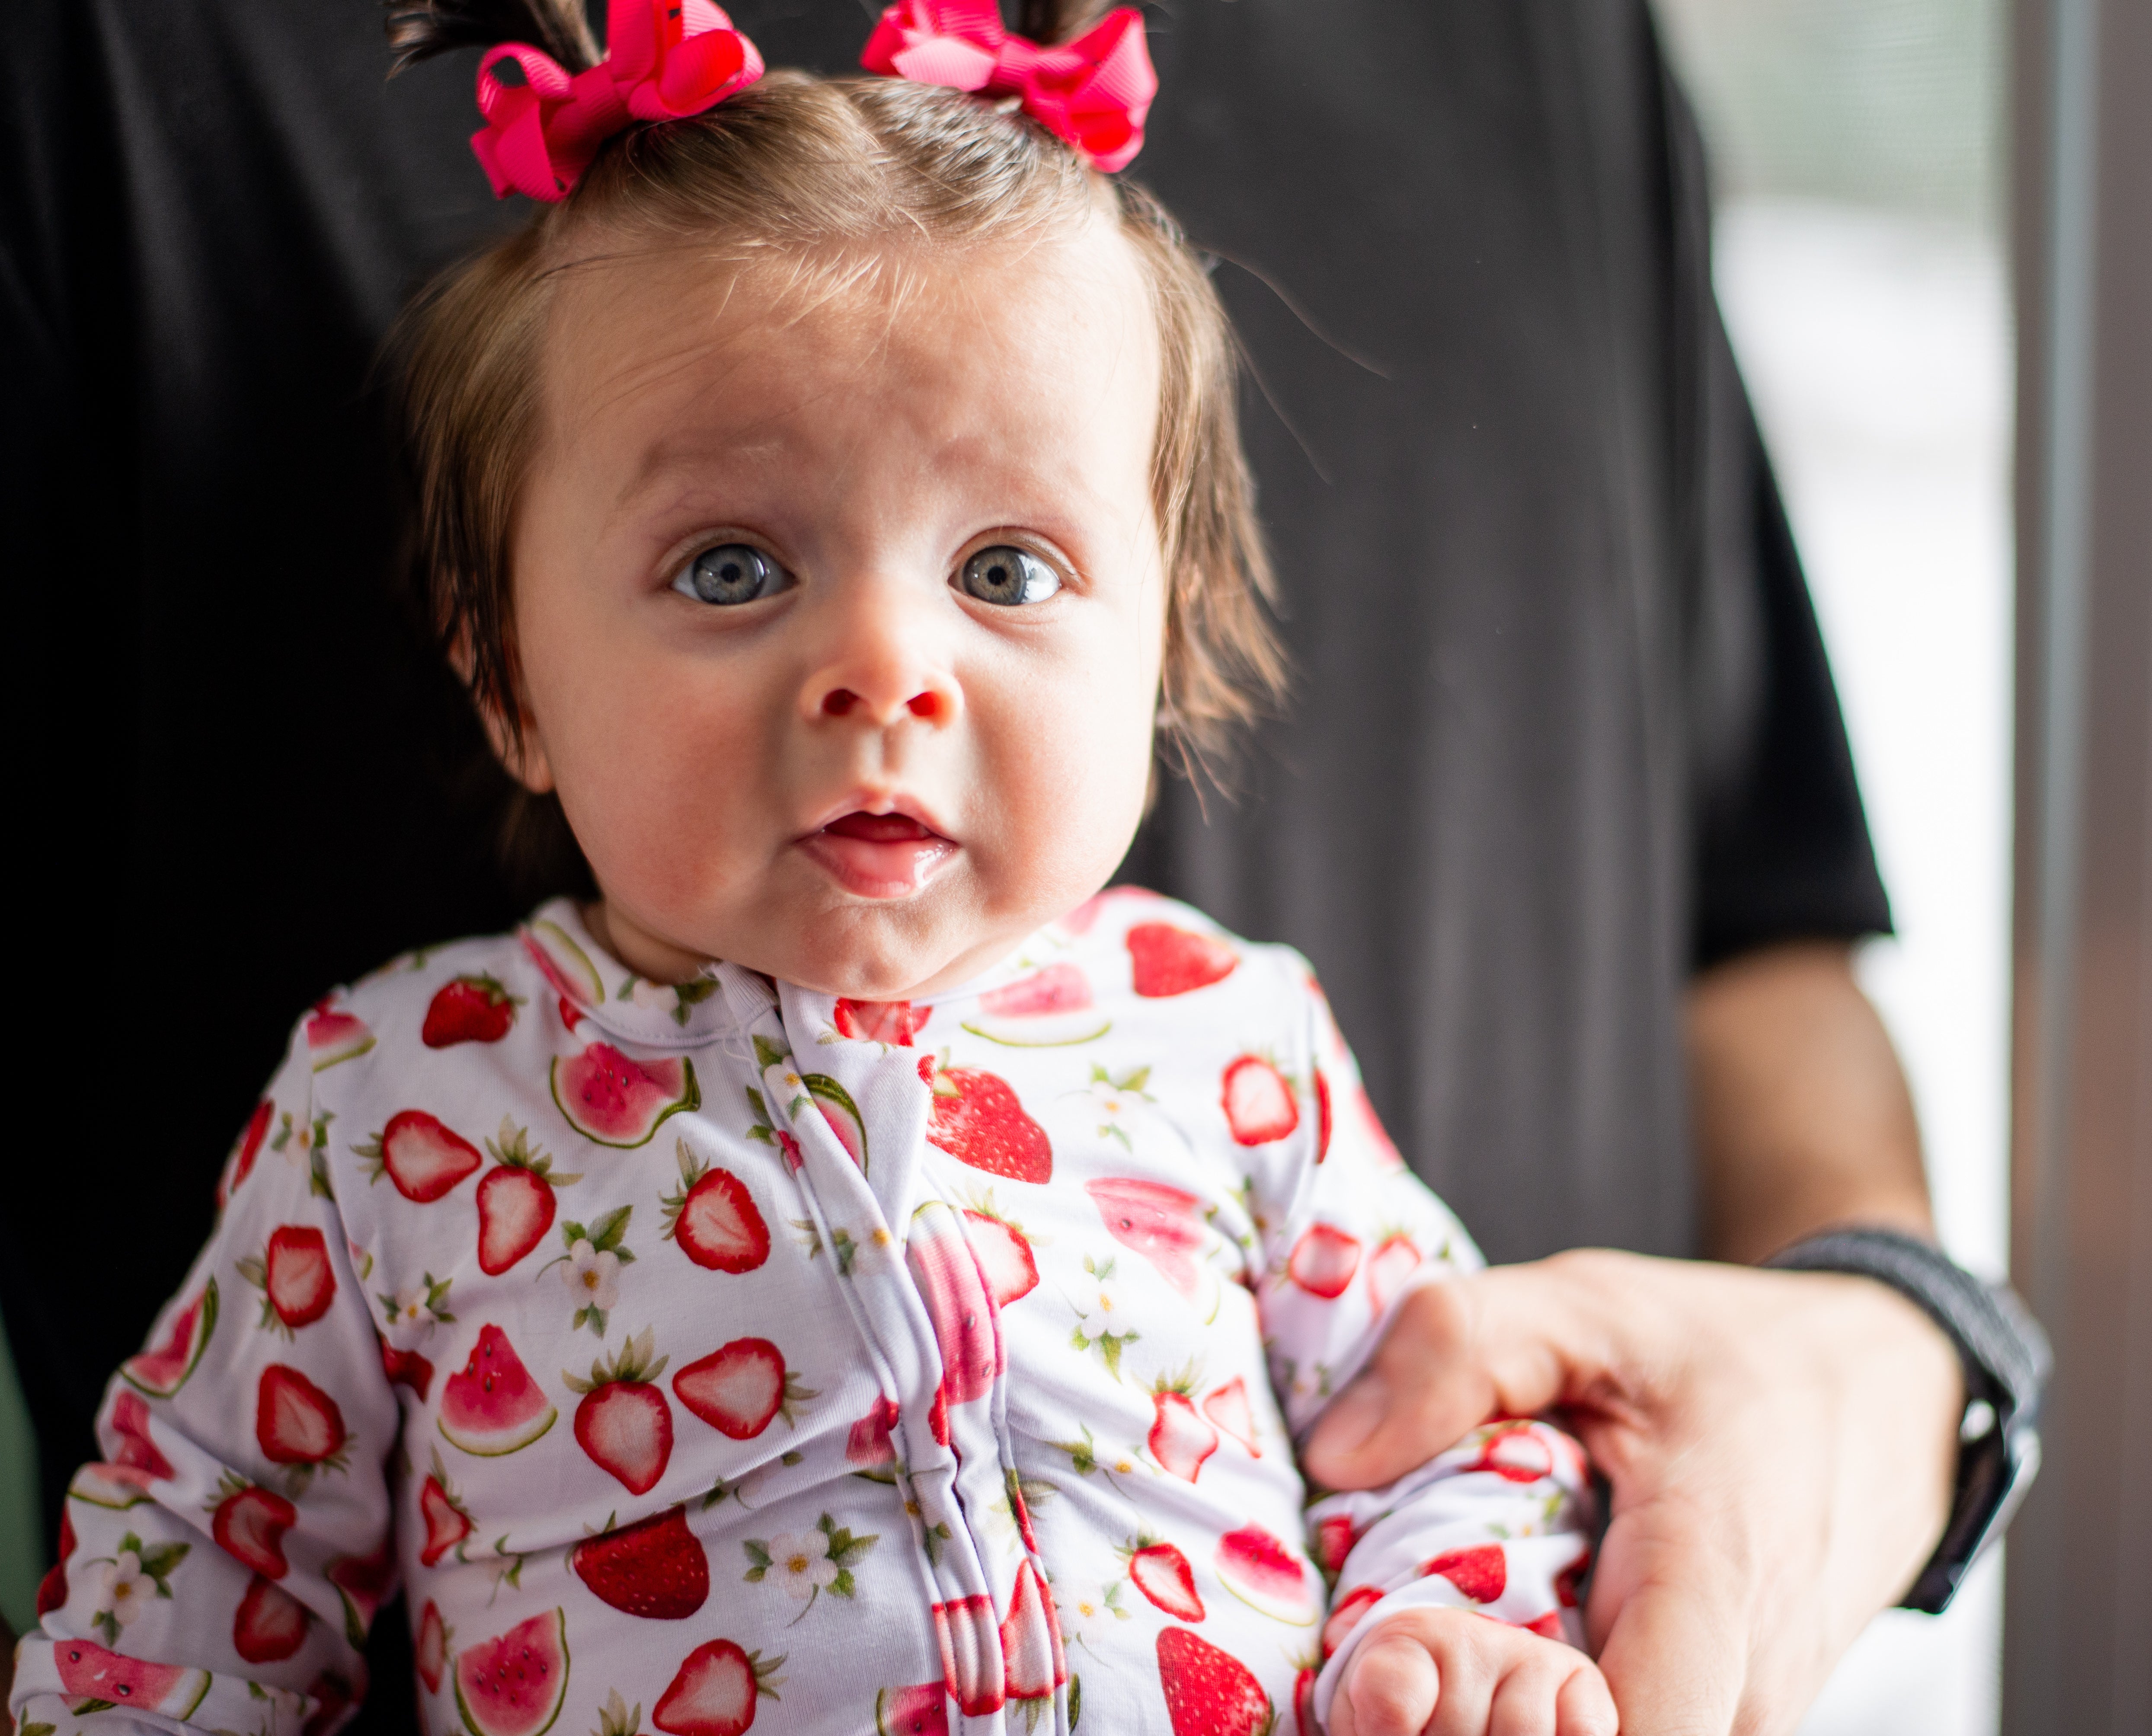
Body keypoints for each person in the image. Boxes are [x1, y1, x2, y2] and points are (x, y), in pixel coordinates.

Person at [0, 0, 2045, 1732]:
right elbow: (209, 1530)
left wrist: (1457, 1625)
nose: (885, 668)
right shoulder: (400, 1105)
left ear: (1158, 652)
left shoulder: (1230, 1044)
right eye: (731, 566)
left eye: (1005, 571)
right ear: (512, 674)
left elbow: (1436, 1418)